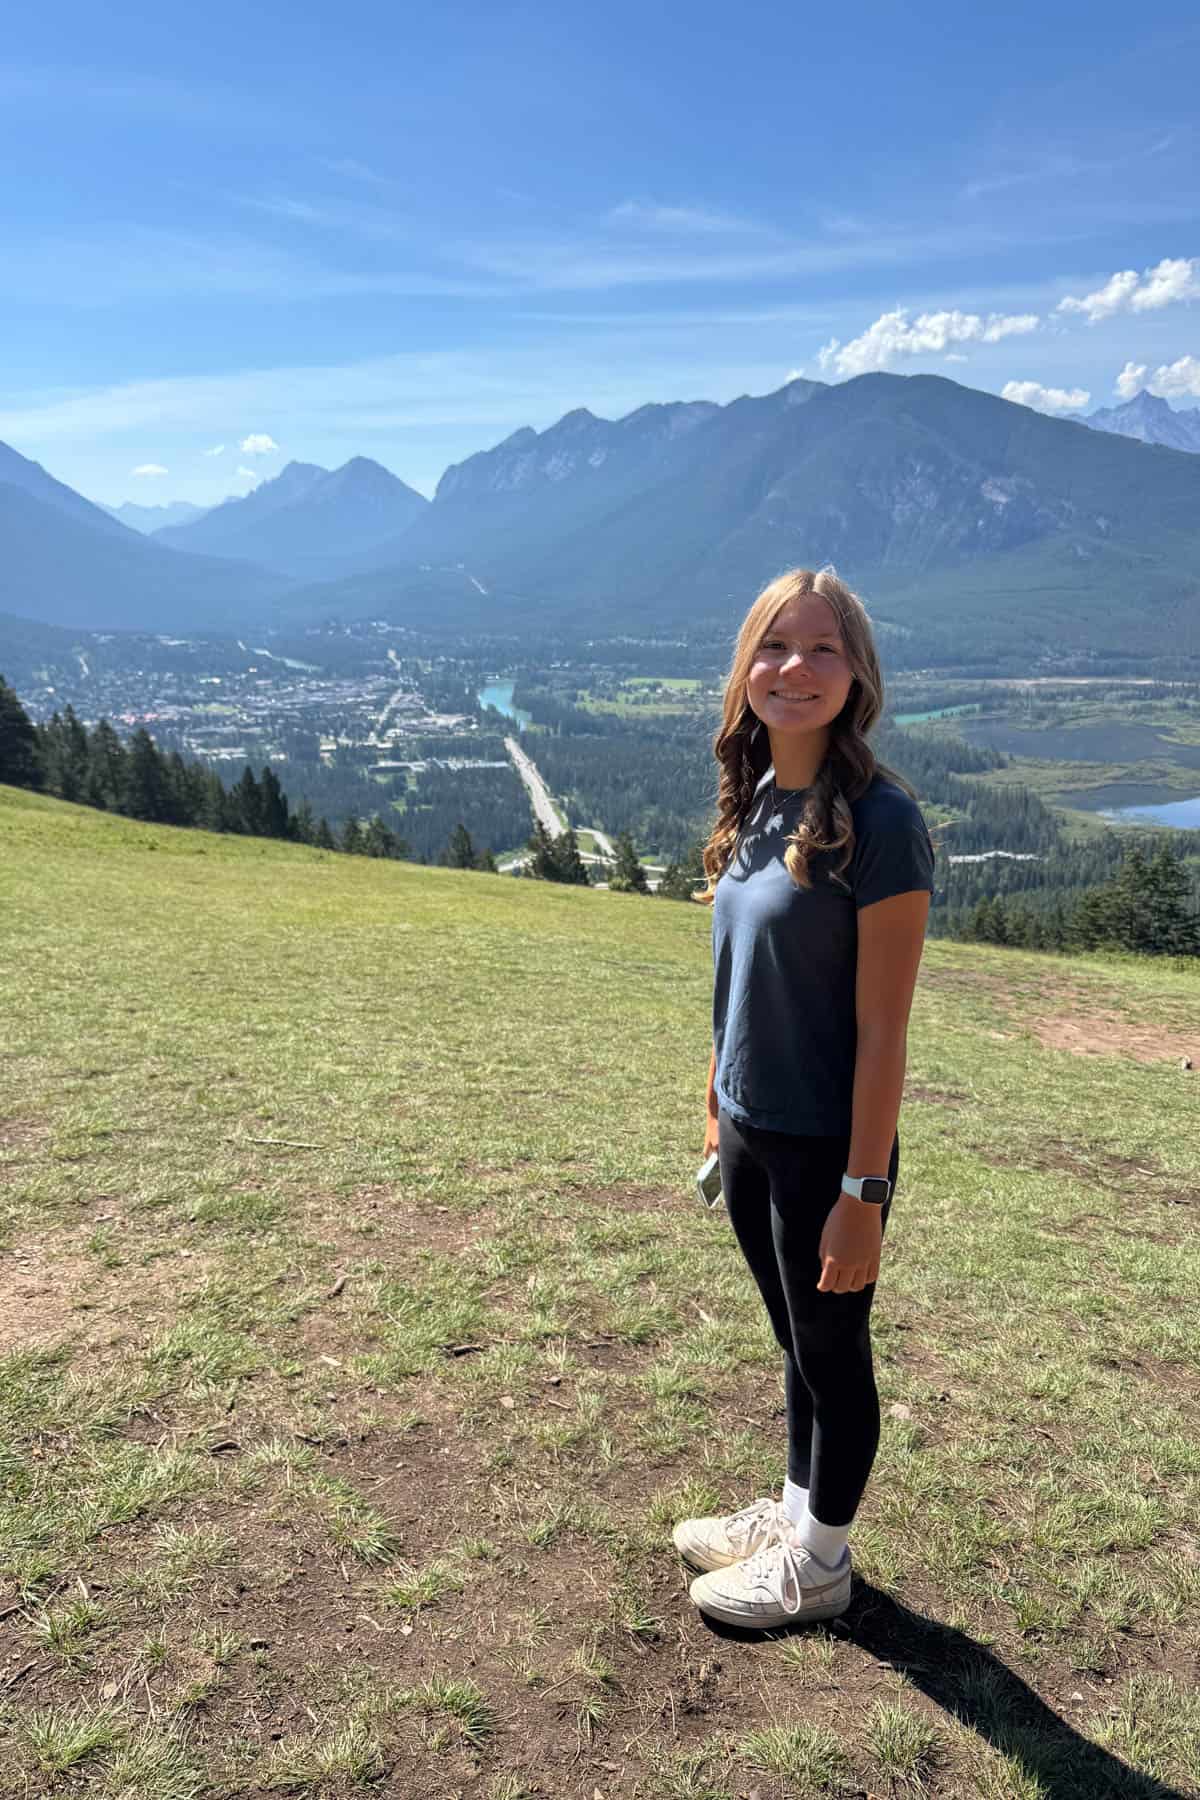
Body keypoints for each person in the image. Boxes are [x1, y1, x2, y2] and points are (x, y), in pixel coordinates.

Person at [673, 566, 934, 1630]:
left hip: (830, 1144)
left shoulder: (882, 821)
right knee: (796, 1342)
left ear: (857, 673)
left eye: (824, 648)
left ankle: (821, 1563)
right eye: (776, 646)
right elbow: (738, 977)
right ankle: (792, 1513)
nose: (797, 667)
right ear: (747, 668)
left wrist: (863, 1189)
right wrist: (714, 1113)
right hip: (749, 1130)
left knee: (832, 1353)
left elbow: (884, 1030)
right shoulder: (757, 798)